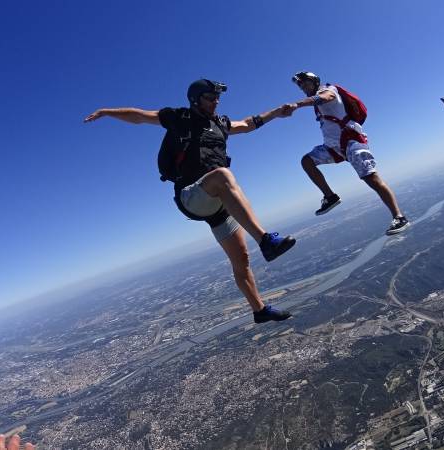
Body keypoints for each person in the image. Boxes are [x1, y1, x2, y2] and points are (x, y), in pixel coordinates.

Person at [85, 79, 295, 323]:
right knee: (223, 175)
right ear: (196, 99)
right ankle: (266, 240)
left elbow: (247, 124)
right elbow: (141, 116)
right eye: (210, 97)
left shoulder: (220, 123)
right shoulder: (179, 118)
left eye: (217, 97)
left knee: (241, 259)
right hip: (190, 196)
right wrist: (106, 112)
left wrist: (277, 113)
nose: (215, 101)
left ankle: (259, 310)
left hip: (218, 201)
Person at [287, 72, 409, 235]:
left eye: (305, 83)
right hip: (333, 147)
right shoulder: (317, 105)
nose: (303, 87)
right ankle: (330, 197)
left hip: (351, 140)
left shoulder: (329, 90)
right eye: (300, 86)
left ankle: (399, 217)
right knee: (307, 161)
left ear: (315, 82)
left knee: (371, 178)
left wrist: (297, 105)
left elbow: (326, 97)